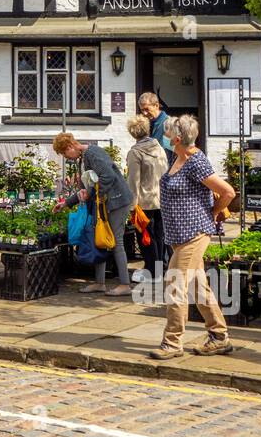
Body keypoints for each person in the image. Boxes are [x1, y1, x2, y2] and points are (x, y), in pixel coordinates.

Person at [150, 114, 236, 360]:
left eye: (167, 133)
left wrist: (213, 213)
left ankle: (172, 342)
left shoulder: (196, 161)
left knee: (174, 283)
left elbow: (228, 192)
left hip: (194, 232)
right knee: (199, 287)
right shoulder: (178, 158)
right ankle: (219, 336)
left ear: (177, 138)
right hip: (180, 233)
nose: (165, 136)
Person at [52, 131, 133, 295]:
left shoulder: (93, 153)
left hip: (117, 202)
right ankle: (99, 283)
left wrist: (91, 194)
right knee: (99, 239)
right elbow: (86, 187)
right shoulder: (84, 157)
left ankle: (125, 285)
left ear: (70, 147)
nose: (66, 157)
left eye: (64, 153)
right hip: (106, 203)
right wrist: (66, 203)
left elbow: (107, 177)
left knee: (116, 241)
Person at [125, 114, 169, 282]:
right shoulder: (159, 148)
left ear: (132, 133)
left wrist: (131, 207)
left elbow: (133, 182)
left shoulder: (135, 153)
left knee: (145, 238)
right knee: (159, 236)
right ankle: (160, 270)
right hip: (161, 199)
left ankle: (151, 271)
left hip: (144, 202)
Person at [138, 92, 173, 163]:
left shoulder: (169, 123)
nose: (144, 113)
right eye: (142, 110)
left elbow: (174, 152)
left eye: (146, 109)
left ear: (156, 105)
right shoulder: (144, 123)